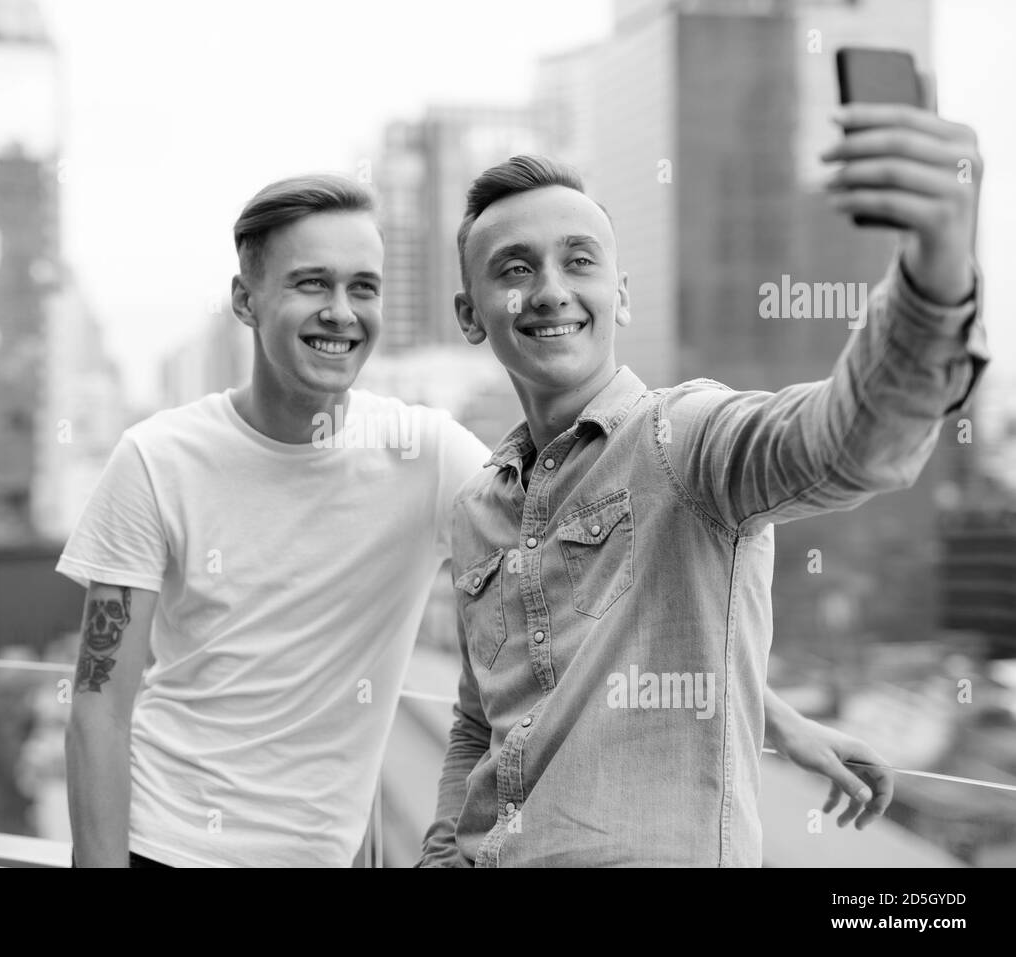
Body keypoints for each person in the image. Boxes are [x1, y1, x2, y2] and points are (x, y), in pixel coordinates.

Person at [60, 174, 898, 868]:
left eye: (364, 287)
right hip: (161, 843)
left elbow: (613, 543)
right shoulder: (154, 457)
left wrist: (773, 717)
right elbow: (101, 703)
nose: (341, 312)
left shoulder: (426, 455)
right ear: (246, 299)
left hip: (327, 854)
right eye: (311, 283)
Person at [419, 97, 987, 866]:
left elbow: (847, 443)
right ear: (470, 312)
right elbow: (478, 722)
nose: (550, 288)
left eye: (580, 261)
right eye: (515, 269)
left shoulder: (682, 439)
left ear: (620, 292)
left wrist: (938, 274)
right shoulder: (477, 508)